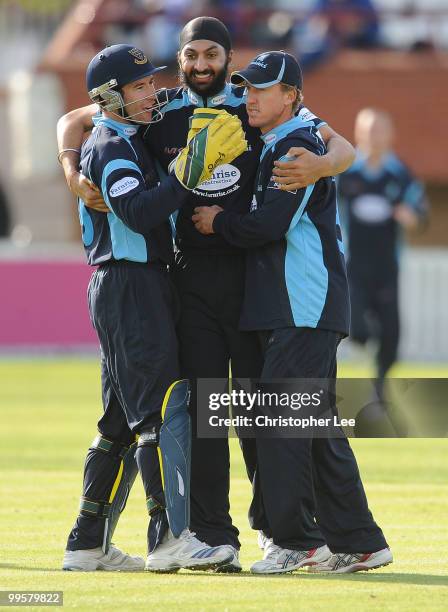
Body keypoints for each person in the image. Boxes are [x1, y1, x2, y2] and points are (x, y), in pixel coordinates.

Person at [57, 17, 355, 571]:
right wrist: (70, 167)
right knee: (200, 411)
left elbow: (339, 142)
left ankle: (276, 532)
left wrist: (328, 162)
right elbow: (77, 117)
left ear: (228, 57)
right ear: (181, 56)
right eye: (190, 53)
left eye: (211, 53)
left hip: (250, 278)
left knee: (254, 411)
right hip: (184, 279)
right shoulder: (157, 105)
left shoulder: (253, 102)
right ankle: (212, 536)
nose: (199, 64)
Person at [193, 51, 392, 574]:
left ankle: (298, 541)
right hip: (296, 307)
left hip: (303, 306)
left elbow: (268, 227)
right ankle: (360, 541)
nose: (249, 97)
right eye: (247, 88)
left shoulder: (297, 144)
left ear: (291, 96)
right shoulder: (289, 134)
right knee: (316, 428)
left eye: (261, 90)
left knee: (280, 422)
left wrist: (217, 221)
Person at [61, 43, 246, 572]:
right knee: (158, 411)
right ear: (109, 97)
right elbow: (140, 214)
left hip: (137, 285)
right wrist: (188, 171)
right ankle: (167, 539)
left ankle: (86, 543)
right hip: (129, 284)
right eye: (139, 88)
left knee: (120, 419)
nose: (150, 95)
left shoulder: (130, 135)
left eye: (149, 84)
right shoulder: (110, 146)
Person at [338, 108, 427, 401]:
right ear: (358, 133)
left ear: (390, 135)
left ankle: (379, 388)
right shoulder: (345, 172)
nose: (374, 136)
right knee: (358, 328)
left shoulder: (400, 175)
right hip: (352, 264)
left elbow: (421, 214)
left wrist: (411, 217)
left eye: (379, 130)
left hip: (388, 265)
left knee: (391, 335)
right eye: (368, 130)